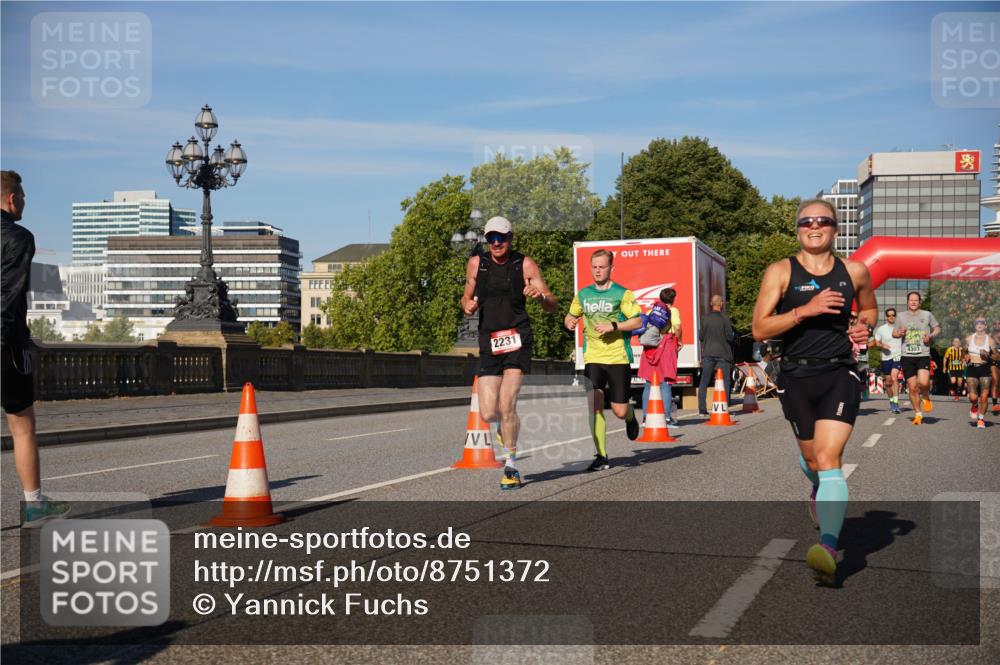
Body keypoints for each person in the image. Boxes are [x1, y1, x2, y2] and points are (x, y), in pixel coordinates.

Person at [751, 198, 876, 585]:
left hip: (839, 372)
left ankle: (828, 546)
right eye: (806, 222)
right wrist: (805, 310)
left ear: (836, 228)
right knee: (812, 460)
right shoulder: (780, 272)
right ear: (798, 229)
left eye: (823, 220)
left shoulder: (854, 271)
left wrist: (863, 327)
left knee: (828, 456)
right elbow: (759, 329)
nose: (814, 226)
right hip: (795, 377)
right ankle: (819, 489)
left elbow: (869, 310)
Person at [460, 216, 558, 490]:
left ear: (510, 238)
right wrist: (467, 305)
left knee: (507, 404)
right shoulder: (477, 264)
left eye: (501, 238)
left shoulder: (524, 264)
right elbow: (465, 297)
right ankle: (507, 429)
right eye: (491, 238)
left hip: (517, 338)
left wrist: (539, 297)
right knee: (489, 413)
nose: (496, 243)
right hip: (489, 340)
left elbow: (552, 304)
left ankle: (511, 465)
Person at [1, 171, 70, 526]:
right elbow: (10, 294)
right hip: (6, 345)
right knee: (22, 425)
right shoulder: (18, 237)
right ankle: (34, 504)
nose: (25, 202)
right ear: (12, 198)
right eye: (23, 196)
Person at [565, 249, 643, 471]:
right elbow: (571, 314)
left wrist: (614, 326)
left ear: (611, 268)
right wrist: (569, 321)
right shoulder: (583, 294)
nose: (598, 270)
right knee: (595, 405)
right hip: (593, 357)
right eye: (594, 267)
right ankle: (601, 455)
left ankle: (629, 417)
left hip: (617, 357)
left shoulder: (622, 294)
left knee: (618, 410)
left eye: (602, 266)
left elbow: (637, 321)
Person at [892, 292, 941, 425]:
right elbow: (894, 333)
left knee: (924, 383)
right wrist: (899, 333)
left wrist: (930, 336)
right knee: (912, 387)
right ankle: (918, 414)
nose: (913, 302)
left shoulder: (927, 314)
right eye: (911, 300)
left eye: (916, 300)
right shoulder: (901, 316)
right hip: (906, 356)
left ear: (919, 302)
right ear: (907, 302)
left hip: (923, 354)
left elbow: (937, 328)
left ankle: (925, 396)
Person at [637, 288, 682, 427]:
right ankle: (667, 418)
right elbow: (677, 327)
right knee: (666, 382)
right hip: (666, 346)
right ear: (673, 299)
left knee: (648, 383)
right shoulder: (673, 311)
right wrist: (679, 341)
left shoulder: (652, 311)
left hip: (650, 349)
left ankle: (645, 418)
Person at [697, 294, 735, 416]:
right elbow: (730, 336)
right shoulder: (724, 319)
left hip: (708, 353)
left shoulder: (704, 318)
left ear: (711, 304)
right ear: (721, 304)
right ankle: (725, 407)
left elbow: (701, 337)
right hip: (723, 354)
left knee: (704, 381)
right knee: (725, 382)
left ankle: (702, 409)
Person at [965, 317, 997, 429]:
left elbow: (997, 356)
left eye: (982, 323)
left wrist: (988, 355)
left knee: (984, 396)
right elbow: (963, 353)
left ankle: (981, 419)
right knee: (973, 397)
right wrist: (965, 356)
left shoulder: (990, 340)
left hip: (984, 367)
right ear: (974, 325)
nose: (979, 324)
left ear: (985, 326)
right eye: (977, 322)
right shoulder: (968, 339)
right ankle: (974, 405)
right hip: (972, 368)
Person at [872, 308, 903, 414]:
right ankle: (891, 402)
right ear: (886, 317)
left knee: (894, 377)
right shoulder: (881, 329)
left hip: (897, 356)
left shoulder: (900, 328)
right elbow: (876, 342)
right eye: (889, 315)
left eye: (893, 315)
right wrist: (882, 345)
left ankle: (896, 402)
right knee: (888, 382)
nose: (891, 317)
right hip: (886, 358)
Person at [943, 337, 967, 401]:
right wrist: (944, 367)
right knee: (953, 381)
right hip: (952, 368)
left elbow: (964, 358)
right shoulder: (949, 349)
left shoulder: (962, 350)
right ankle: (952, 389)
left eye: (958, 342)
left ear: (960, 343)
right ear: (953, 343)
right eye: (955, 341)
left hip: (960, 368)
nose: (957, 343)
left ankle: (957, 396)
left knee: (960, 383)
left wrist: (964, 362)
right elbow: (945, 358)